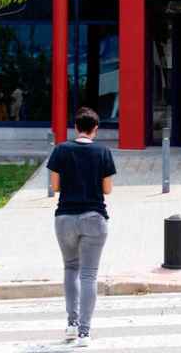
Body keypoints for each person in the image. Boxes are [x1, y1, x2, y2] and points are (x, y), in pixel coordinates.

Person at [47, 107, 116, 347]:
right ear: (95, 129)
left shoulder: (61, 150)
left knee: (70, 269)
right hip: (94, 217)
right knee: (89, 275)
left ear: (76, 127)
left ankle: (71, 325)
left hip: (65, 217)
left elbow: (55, 186)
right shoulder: (103, 152)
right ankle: (85, 333)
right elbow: (107, 189)